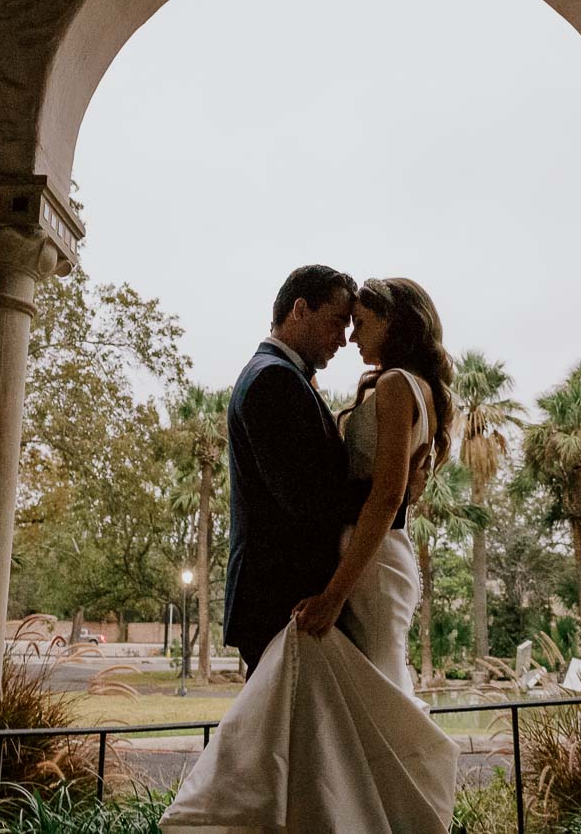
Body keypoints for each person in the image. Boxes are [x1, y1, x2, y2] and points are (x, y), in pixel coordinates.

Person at [162, 269, 460, 834]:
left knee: (323, 739)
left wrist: (391, 492)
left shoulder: (302, 379)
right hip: (282, 593)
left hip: (332, 578)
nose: (345, 337)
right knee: (290, 750)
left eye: (358, 322)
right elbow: (307, 497)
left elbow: (343, 487)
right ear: (299, 310)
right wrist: (393, 495)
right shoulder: (274, 380)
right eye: (336, 321)